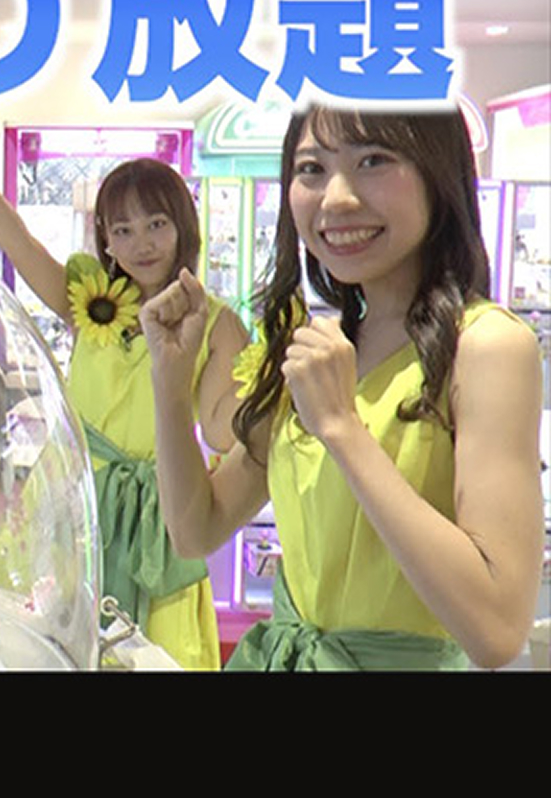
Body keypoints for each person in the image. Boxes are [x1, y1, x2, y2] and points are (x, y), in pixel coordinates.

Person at [141, 104, 544, 670]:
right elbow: (195, 530)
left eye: (373, 160)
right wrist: (170, 381)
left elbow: (497, 630)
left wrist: (342, 429)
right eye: (311, 168)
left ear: (438, 173)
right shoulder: (313, 349)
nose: (336, 198)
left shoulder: (487, 346)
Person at [0, 106, 248, 670]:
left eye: (156, 224)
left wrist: (269, 398)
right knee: (42, 649)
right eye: (122, 230)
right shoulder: (89, 302)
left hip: (160, 516)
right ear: (105, 239)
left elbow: (223, 427)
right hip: (71, 503)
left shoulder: (215, 321)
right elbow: (17, 241)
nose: (141, 243)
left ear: (184, 226)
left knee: (152, 655)